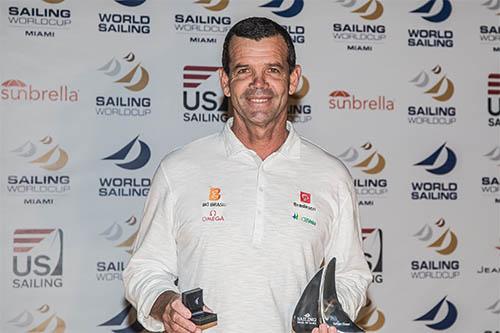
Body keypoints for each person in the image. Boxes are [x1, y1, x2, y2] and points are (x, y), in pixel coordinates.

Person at [123, 17, 371, 333]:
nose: (259, 83)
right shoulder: (179, 169)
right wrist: (165, 305)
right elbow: (144, 270)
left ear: (293, 79)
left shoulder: (331, 176)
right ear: (225, 81)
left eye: (273, 70)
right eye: (244, 71)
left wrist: (329, 318)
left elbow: (351, 274)